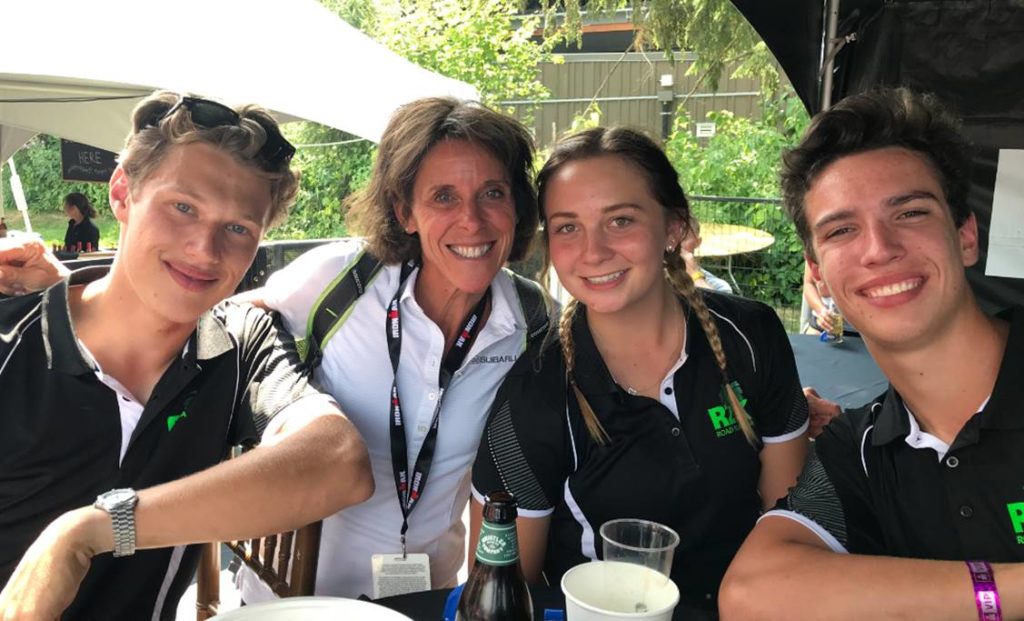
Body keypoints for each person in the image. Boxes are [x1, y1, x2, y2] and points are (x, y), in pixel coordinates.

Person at [0, 90, 373, 620]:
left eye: (238, 228)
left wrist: (88, 531)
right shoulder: (12, 341)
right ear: (123, 193)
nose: (204, 248)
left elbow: (340, 462)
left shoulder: (238, 343)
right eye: (183, 207)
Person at [470, 127, 811, 617]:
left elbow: (793, 525)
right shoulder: (535, 394)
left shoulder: (751, 336)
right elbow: (499, 595)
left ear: (674, 227)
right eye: (567, 227)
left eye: (620, 220)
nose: (593, 251)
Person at [232, 96, 555, 601]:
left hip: (426, 598)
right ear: (406, 211)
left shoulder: (529, 320)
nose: (472, 220)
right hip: (293, 599)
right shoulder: (342, 280)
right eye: (443, 197)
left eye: (492, 192)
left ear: (516, 205)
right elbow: (231, 321)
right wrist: (283, 396)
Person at [719, 88, 1024, 619]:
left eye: (909, 212)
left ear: (967, 235)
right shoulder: (856, 449)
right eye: (841, 230)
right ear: (819, 276)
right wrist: (1001, 594)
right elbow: (751, 593)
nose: (879, 248)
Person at [681, 214, 733, 293]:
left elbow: (716, 304)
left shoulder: (719, 287)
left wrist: (695, 276)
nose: (674, 244)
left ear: (698, 242)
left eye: (683, 238)